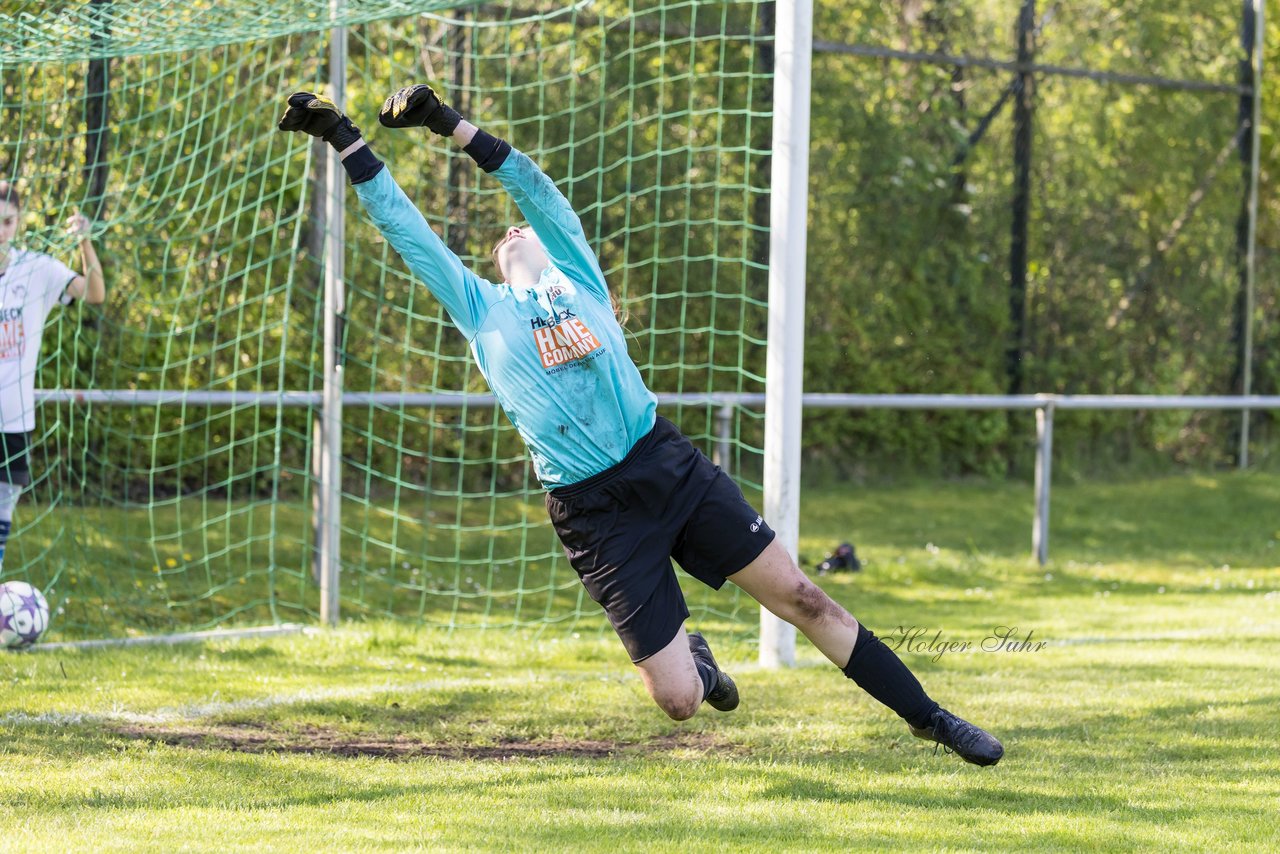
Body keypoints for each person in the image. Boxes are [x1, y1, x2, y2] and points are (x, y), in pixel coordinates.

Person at [277, 87, 1004, 766]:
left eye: (520, 226)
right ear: (496, 265)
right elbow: (404, 226)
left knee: (804, 597)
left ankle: (931, 718)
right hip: (594, 513)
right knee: (681, 702)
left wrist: (448, 124)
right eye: (501, 237)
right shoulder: (480, 308)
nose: (511, 229)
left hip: (665, 465)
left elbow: (532, 186)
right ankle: (694, 654)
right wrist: (342, 135)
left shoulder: (579, 276)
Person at [0, 182, 106, 572]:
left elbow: (94, 293)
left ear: (18, 222)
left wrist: (85, 241)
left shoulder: (36, 270)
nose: (0, 231)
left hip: (14, 420)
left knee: (1, 522)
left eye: (7, 222)